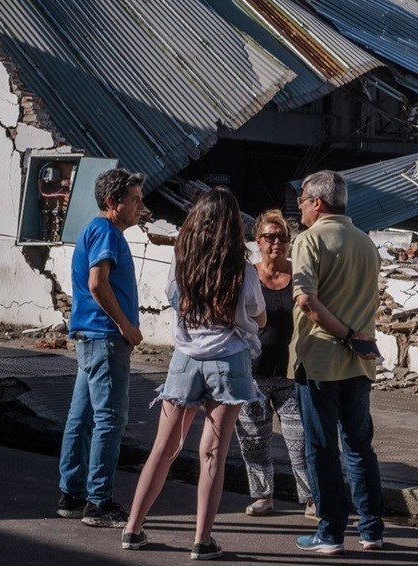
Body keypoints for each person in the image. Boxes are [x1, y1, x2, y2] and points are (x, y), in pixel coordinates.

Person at [120, 187, 265, 560]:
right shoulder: (243, 271)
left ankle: (133, 528)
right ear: (233, 226)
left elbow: (171, 298)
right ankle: (202, 540)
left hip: (184, 360)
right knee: (213, 451)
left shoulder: (179, 261)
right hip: (229, 362)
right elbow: (258, 316)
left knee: (164, 447)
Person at [290, 170, 384, 555]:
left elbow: (305, 300)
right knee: (360, 446)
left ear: (317, 202)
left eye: (301, 200)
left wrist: (342, 335)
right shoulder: (366, 243)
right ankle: (371, 530)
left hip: (320, 360)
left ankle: (329, 532)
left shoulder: (309, 240)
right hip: (360, 362)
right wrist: (355, 338)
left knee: (323, 448)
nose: (298, 207)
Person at [57, 168, 146, 528]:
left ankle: (72, 494)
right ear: (113, 203)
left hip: (91, 337)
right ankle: (99, 502)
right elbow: (98, 283)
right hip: (104, 338)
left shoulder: (95, 230)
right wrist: (126, 325)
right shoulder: (106, 231)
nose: (142, 206)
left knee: (82, 418)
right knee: (109, 419)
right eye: (135, 200)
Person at [234, 209, 315, 520]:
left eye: (282, 237)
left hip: (291, 373)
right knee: (254, 440)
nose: (276, 242)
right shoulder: (248, 275)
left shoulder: (299, 276)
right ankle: (263, 496)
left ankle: (310, 498)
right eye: (270, 237)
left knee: (300, 441)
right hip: (252, 373)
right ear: (258, 240)